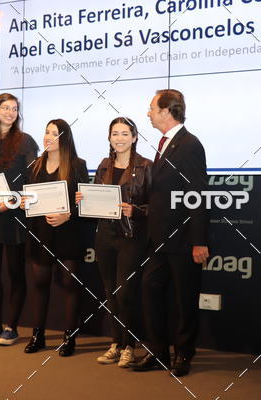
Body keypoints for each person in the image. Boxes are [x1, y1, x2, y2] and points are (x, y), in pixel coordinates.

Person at [131, 89, 209, 377]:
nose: (148, 113)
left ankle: (183, 354)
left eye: (152, 108)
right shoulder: (164, 143)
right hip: (158, 239)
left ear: (166, 111)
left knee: (184, 300)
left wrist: (199, 241)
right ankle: (158, 352)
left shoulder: (189, 145)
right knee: (151, 291)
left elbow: (198, 195)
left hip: (184, 239)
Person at [75, 117, 152, 367]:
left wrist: (136, 211)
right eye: (115, 134)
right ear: (109, 137)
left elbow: (157, 206)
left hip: (131, 236)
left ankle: (129, 345)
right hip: (105, 235)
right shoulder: (104, 165)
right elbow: (96, 200)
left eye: (125, 133)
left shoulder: (146, 166)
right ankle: (116, 343)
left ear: (135, 137)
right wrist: (83, 200)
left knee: (125, 292)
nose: (119, 138)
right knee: (110, 292)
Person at [0, 93, 39, 345]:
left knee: (15, 272)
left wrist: (12, 200)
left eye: (14, 108)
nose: (10, 112)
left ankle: (11, 327)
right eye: (6, 108)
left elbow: (33, 178)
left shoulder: (26, 141)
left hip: (16, 214)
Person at [21, 119, 89, 357]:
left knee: (70, 285)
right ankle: (37, 335)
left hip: (69, 233)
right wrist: (25, 202)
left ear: (64, 138)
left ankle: (70, 337)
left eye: (54, 133)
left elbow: (85, 202)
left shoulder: (78, 165)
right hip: (40, 232)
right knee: (40, 284)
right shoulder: (35, 165)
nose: (48, 137)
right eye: (46, 132)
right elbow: (28, 198)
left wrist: (68, 215)